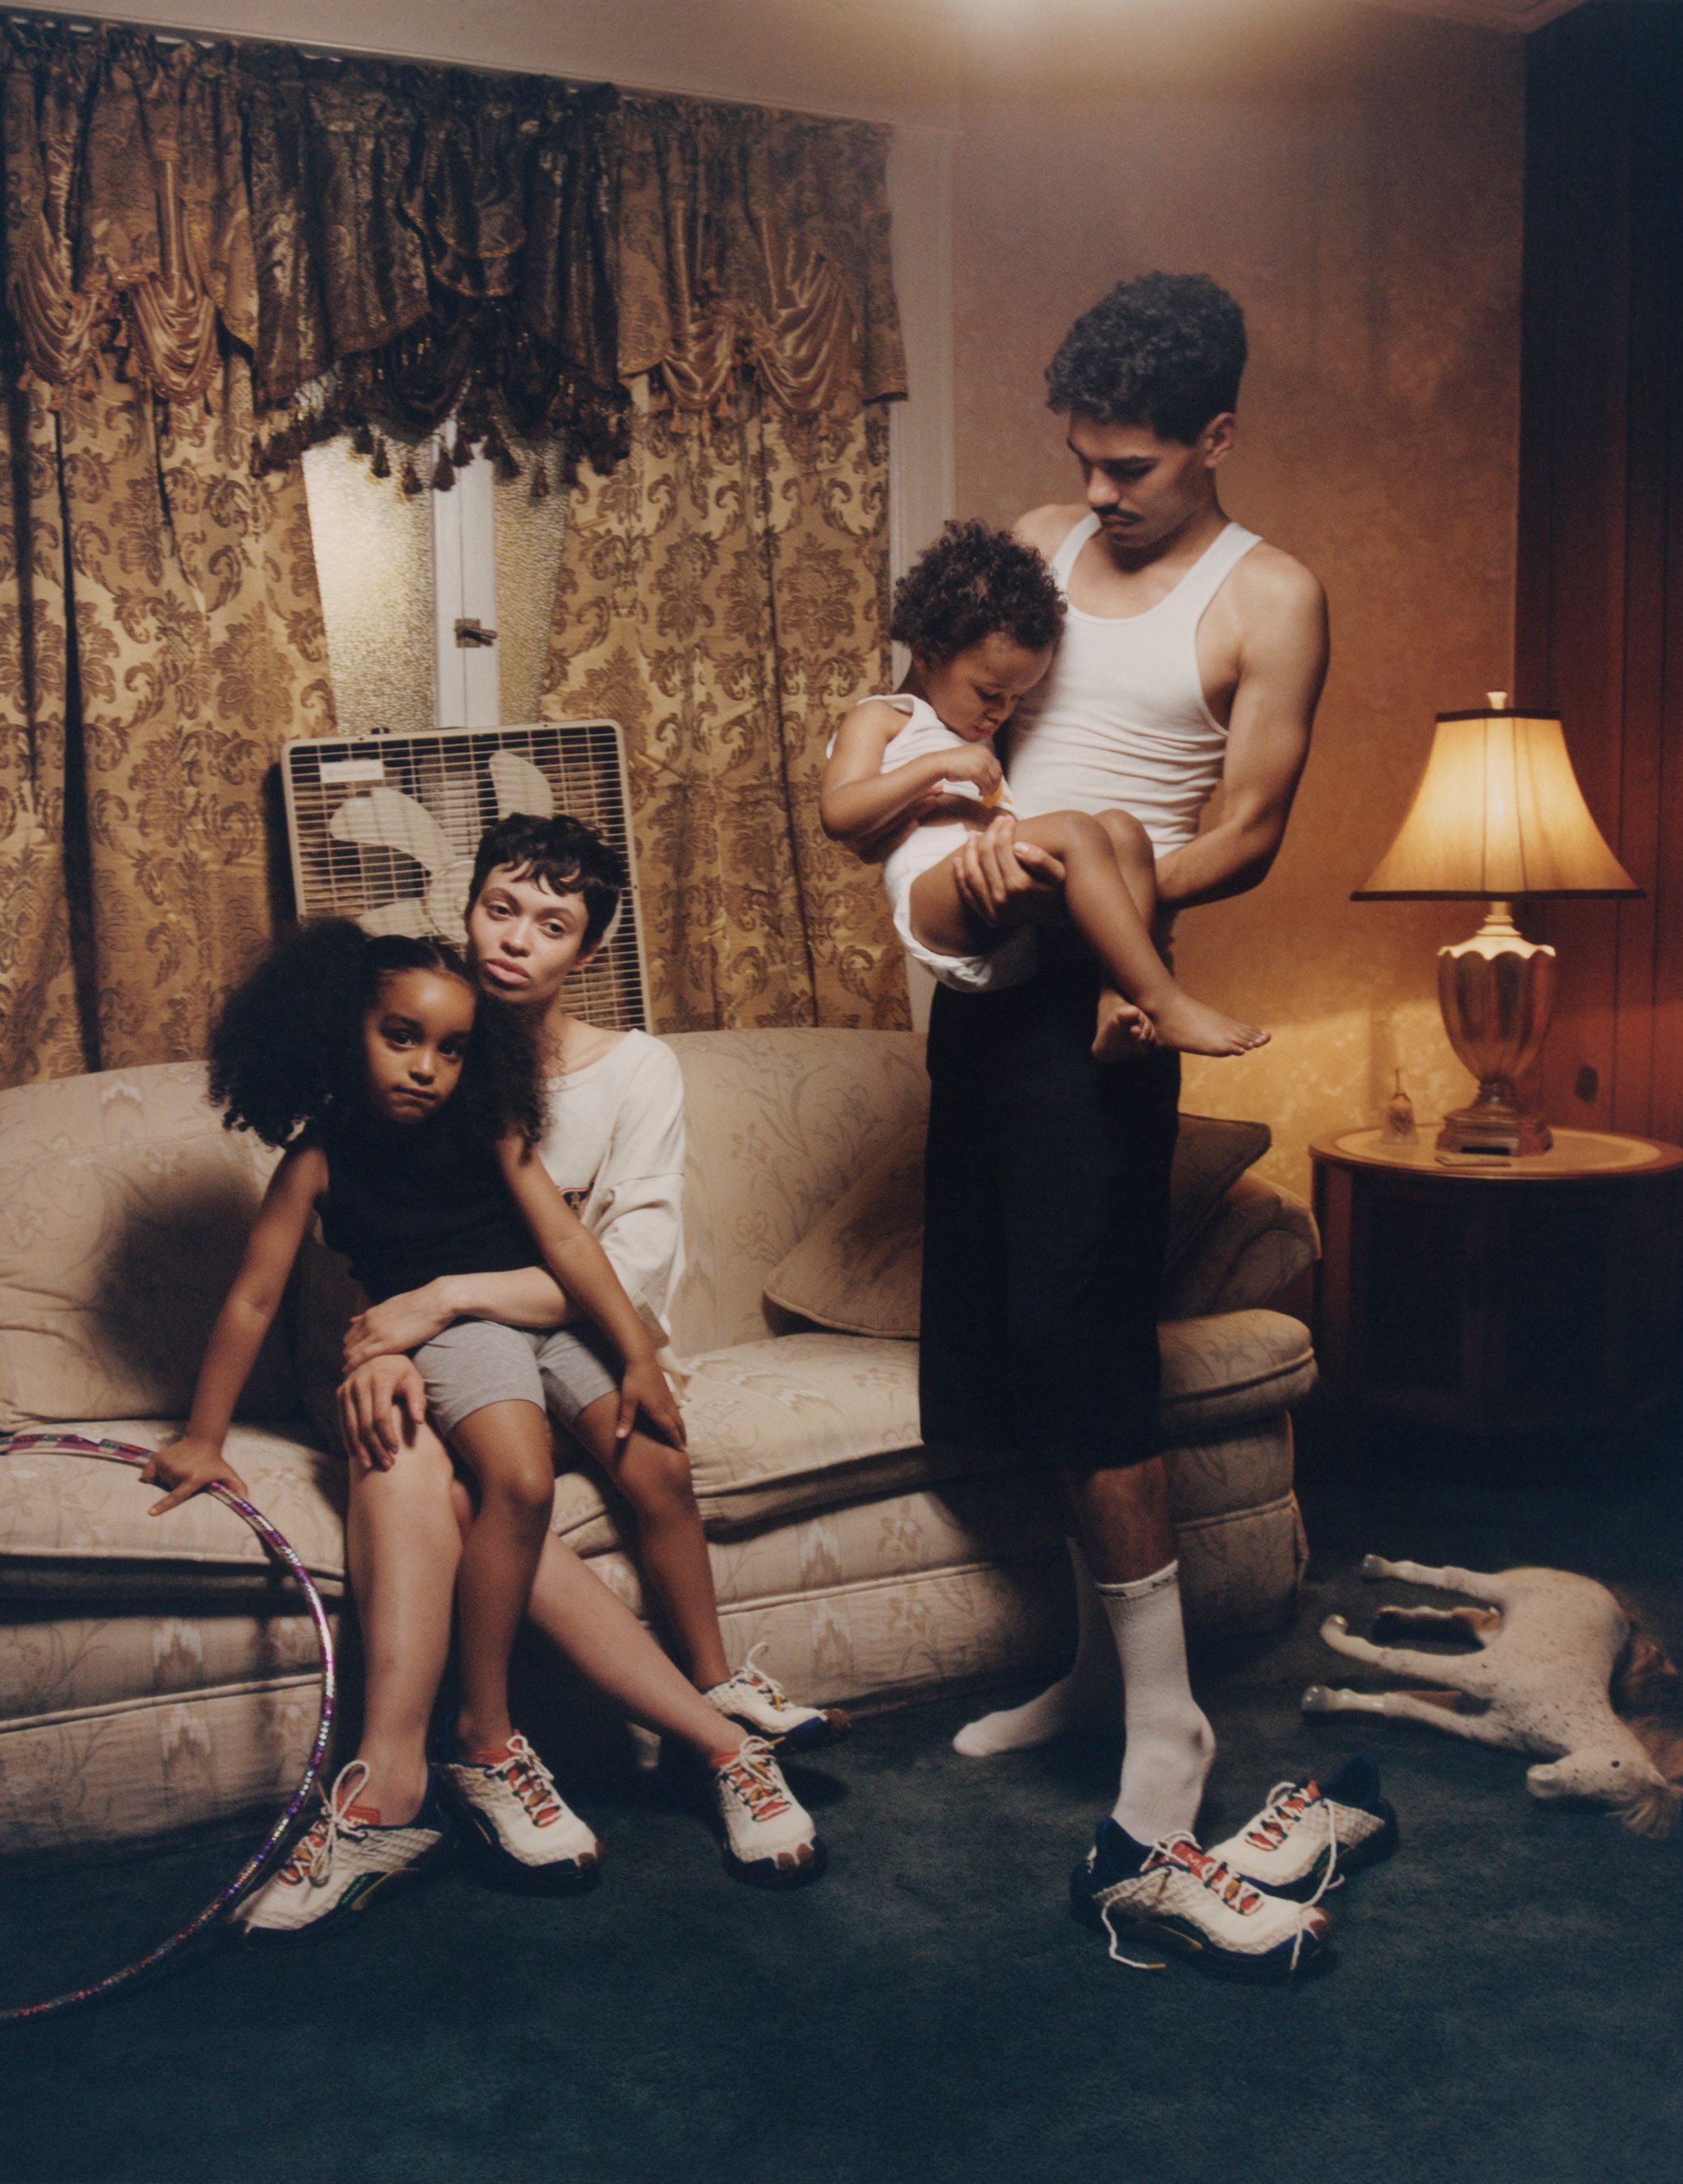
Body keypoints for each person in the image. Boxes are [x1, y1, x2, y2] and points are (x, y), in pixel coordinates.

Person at [919, 273, 1353, 1978]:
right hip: (975, 989)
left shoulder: (1271, 594)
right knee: (1016, 1343)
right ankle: (1096, 1674)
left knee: (1091, 1355)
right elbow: (957, 715)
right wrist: (962, 840)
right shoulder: (1042, 537)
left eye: (1132, 468)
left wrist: (1099, 895)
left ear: (1216, 434)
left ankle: (1167, 1723)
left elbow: (1247, 826)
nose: (1093, 495)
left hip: (1105, 1002)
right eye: (1082, 461)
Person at [147, 920, 816, 1942]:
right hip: (447, 1343)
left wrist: (638, 1355)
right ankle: (488, 1734)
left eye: (451, 1048)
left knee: (650, 1457)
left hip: (534, 1321)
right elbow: (252, 1298)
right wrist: (204, 1436)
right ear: (340, 1030)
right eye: (400, 1037)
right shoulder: (317, 1160)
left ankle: (714, 1724)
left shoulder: (491, 1127)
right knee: (517, 1480)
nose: (426, 1067)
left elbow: (568, 1246)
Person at [337, 814, 852, 1764]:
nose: (514, 940)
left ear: (587, 950)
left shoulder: (633, 1068)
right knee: (490, 1470)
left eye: (551, 925)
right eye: (499, 909)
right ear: (467, 908)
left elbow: (630, 1261)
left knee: (654, 1455)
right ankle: (489, 1732)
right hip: (465, 1355)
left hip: (568, 1329)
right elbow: (374, 1214)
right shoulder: (431, 1051)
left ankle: (714, 1683)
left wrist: (449, 1295)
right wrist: (391, 1334)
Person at [819, 520, 1268, 1059]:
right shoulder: (881, 717)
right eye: (989, 693)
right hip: (932, 897)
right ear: (927, 654)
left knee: (1123, 829)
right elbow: (838, 813)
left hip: (1018, 929)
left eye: (1017, 698)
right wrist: (934, 765)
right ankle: (1163, 1002)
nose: (1000, 713)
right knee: (1078, 828)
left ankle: (1116, 997)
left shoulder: (972, 728)